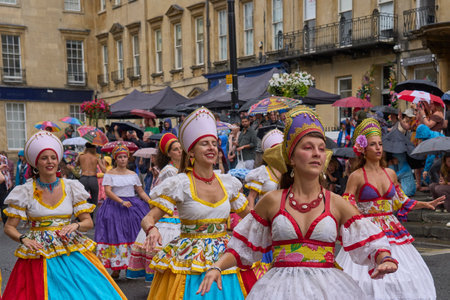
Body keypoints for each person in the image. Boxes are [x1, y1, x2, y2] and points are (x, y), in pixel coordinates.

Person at [198, 106, 397, 299]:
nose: (317, 153)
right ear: (292, 158)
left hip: (328, 290)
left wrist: (384, 258)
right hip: (278, 291)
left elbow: (369, 240)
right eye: (308, 148)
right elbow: (243, 245)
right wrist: (217, 267)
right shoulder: (272, 201)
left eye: (321, 149)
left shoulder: (336, 203)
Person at [141, 107, 253, 299]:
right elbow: (148, 218)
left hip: (225, 256)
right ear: (191, 152)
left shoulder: (228, 183)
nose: (211, 148)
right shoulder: (180, 183)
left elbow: (252, 217)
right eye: (204, 144)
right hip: (188, 257)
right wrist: (152, 229)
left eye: (214, 144)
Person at [2, 131, 126, 299]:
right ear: (35, 163)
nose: (50, 162)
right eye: (44, 158)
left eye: (53, 157)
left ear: (58, 160)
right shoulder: (24, 191)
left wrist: (75, 225)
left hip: (70, 249)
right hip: (38, 253)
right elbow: (9, 227)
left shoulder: (71, 187)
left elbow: (88, 222)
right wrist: (24, 239)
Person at [336, 118, 444, 300]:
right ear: (363, 149)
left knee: (405, 277)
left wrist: (425, 204)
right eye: (372, 144)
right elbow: (347, 205)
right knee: (364, 280)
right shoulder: (356, 176)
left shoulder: (390, 173)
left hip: (391, 229)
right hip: (367, 231)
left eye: (380, 144)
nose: (378, 148)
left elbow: (400, 200)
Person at [127, 133, 182, 282]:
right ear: (168, 154)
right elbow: (173, 194)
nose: (180, 151)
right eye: (176, 149)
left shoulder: (176, 168)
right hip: (169, 214)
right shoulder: (170, 171)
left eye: (180, 148)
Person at [94, 143, 152, 279]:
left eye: (125, 157)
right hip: (114, 206)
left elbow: (140, 191)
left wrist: (151, 203)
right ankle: (116, 267)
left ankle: (130, 266)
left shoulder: (133, 174)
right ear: (115, 159)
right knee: (115, 234)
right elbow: (108, 191)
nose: (122, 159)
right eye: (120, 157)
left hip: (132, 207)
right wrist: (121, 201)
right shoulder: (110, 174)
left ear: (128, 158)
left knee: (132, 234)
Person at [76, 142, 106, 207]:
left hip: (83, 178)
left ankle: (84, 215)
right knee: (94, 200)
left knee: (82, 200)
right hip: (93, 179)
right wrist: (102, 160)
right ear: (93, 148)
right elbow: (104, 170)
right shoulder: (96, 157)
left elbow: (77, 164)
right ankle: (92, 216)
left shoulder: (81, 156)